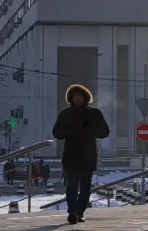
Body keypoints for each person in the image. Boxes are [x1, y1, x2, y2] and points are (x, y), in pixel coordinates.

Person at [53, 84, 110, 225]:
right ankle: (73, 211)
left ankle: (79, 212)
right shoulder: (65, 114)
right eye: (74, 96)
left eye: (80, 96)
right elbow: (56, 132)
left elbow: (105, 131)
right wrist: (67, 131)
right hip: (71, 155)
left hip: (88, 155)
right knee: (72, 185)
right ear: (71, 98)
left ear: (85, 97)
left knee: (85, 186)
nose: (77, 99)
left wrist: (91, 131)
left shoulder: (94, 113)